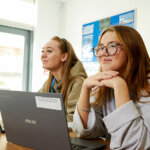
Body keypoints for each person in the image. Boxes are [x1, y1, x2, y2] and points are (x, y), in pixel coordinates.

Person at [72, 25, 150, 149]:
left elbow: (135, 145)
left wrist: (119, 86)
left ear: (132, 50)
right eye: (101, 47)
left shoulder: (146, 86)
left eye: (112, 46)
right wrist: (85, 88)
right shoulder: (106, 85)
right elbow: (83, 131)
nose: (103, 53)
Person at [39, 36, 87, 122]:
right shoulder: (49, 83)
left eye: (49, 51)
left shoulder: (78, 83)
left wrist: (42, 121)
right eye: (43, 51)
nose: (43, 55)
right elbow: (33, 105)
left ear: (64, 56)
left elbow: (73, 120)